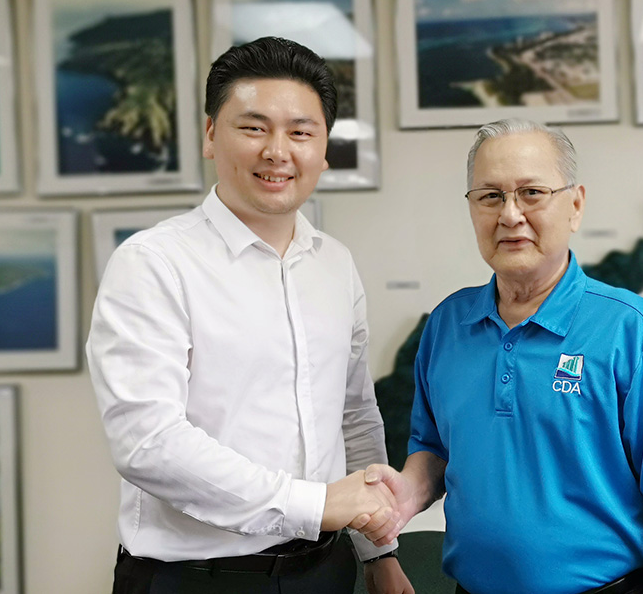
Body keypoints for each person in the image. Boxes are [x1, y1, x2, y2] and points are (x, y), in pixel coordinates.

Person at [88, 37, 411, 594]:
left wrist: (379, 551)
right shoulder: (153, 263)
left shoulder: (335, 264)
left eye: (301, 132)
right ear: (211, 134)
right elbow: (148, 442)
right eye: (254, 128)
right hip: (195, 580)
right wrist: (314, 505)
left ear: (324, 148)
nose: (277, 151)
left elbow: (355, 414)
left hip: (326, 573)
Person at [355, 118, 643, 594]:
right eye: (490, 196)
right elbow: (434, 450)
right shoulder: (447, 325)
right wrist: (405, 496)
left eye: (531, 193)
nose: (510, 215)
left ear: (575, 205)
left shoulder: (630, 328)